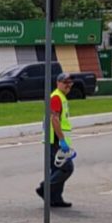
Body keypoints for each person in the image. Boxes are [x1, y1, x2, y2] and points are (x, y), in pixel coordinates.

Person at [36, 73, 75, 208]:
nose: (68, 85)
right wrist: (62, 141)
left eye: (70, 83)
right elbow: (55, 119)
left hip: (56, 139)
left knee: (57, 168)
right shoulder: (56, 97)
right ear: (58, 83)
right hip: (55, 140)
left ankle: (55, 198)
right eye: (65, 82)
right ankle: (44, 188)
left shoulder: (61, 97)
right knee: (66, 168)